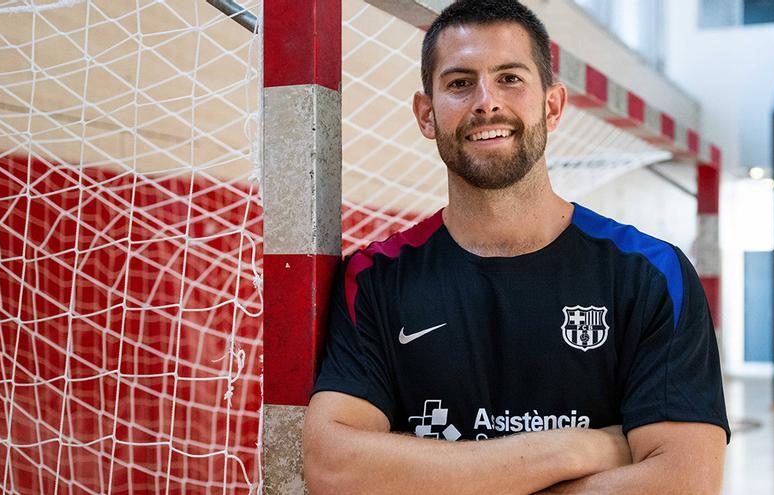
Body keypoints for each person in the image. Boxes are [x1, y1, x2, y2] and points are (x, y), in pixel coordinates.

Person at [303, 1, 730, 493]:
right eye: (460, 82)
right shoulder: (375, 277)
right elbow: (334, 468)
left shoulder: (652, 274)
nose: (487, 102)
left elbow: (684, 482)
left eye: (510, 78)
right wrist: (575, 447)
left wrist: (430, 477)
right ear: (426, 114)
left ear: (552, 106)